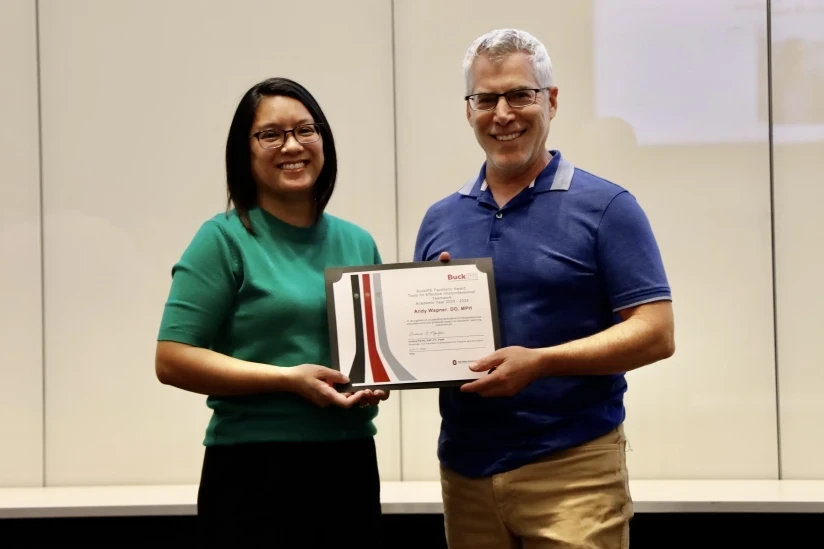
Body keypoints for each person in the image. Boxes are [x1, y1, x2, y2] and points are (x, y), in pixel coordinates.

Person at [414, 29, 675, 548]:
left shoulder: (607, 207)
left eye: (520, 95)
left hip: (573, 469)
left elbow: (656, 333)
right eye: (485, 99)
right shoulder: (440, 218)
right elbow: (421, 346)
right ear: (468, 110)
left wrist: (542, 361)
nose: (502, 113)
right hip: (465, 472)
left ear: (551, 101)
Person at [155, 77, 389, 547]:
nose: (292, 146)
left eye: (306, 130)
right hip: (253, 472)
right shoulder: (222, 239)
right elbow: (172, 358)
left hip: (349, 463)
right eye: (271, 134)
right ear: (245, 150)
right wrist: (286, 380)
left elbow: (373, 355)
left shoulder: (357, 241)